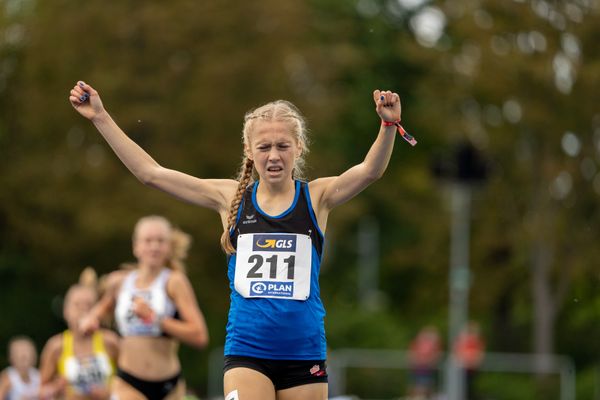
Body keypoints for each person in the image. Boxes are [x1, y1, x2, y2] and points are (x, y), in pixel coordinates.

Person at [69, 80, 403, 400]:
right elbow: (151, 174)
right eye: (264, 147)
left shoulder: (316, 197)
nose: (274, 156)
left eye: (283, 146)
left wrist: (388, 127)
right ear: (249, 150)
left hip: (304, 352)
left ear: (298, 147)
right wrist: (100, 117)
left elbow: (369, 171)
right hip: (247, 351)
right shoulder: (231, 197)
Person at [78, 216, 209, 400]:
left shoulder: (174, 282)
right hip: (129, 382)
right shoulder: (119, 282)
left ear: (169, 247)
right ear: (136, 246)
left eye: (160, 241)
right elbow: (96, 314)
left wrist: (156, 319)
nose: (154, 247)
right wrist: (89, 321)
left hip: (168, 385)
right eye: (148, 241)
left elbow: (199, 336)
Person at [38, 268, 119, 400]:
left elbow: (131, 382)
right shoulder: (56, 346)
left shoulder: (110, 342)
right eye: (77, 305)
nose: (82, 311)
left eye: (88, 305)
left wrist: (109, 393)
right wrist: (55, 389)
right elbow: (41, 391)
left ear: (98, 310)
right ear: (66, 311)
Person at [0, 336, 40, 400]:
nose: (24, 361)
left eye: (26, 357)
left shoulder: (37, 375)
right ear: (12, 358)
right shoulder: (8, 377)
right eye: (21, 358)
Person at [453, 321, 485, 400]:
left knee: (469, 388)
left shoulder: (477, 341)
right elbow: (457, 352)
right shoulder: (462, 341)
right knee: (461, 387)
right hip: (462, 368)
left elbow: (479, 355)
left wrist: (472, 361)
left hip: (471, 369)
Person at [407, 326, 441, 399]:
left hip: (428, 370)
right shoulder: (417, 343)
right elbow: (411, 355)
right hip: (418, 370)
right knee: (417, 388)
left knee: (427, 389)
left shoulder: (433, 345)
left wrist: (427, 360)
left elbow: (436, 356)